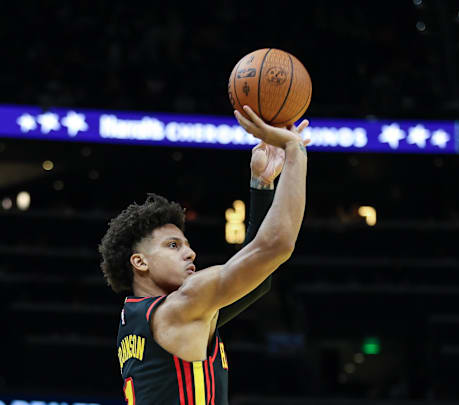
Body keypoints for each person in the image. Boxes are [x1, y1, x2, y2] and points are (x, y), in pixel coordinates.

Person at [98, 105, 309, 405]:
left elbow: (257, 281)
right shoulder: (182, 307)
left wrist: (262, 185)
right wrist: (295, 151)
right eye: (173, 245)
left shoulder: (139, 319)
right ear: (140, 261)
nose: (190, 252)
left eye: (186, 244)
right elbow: (276, 246)